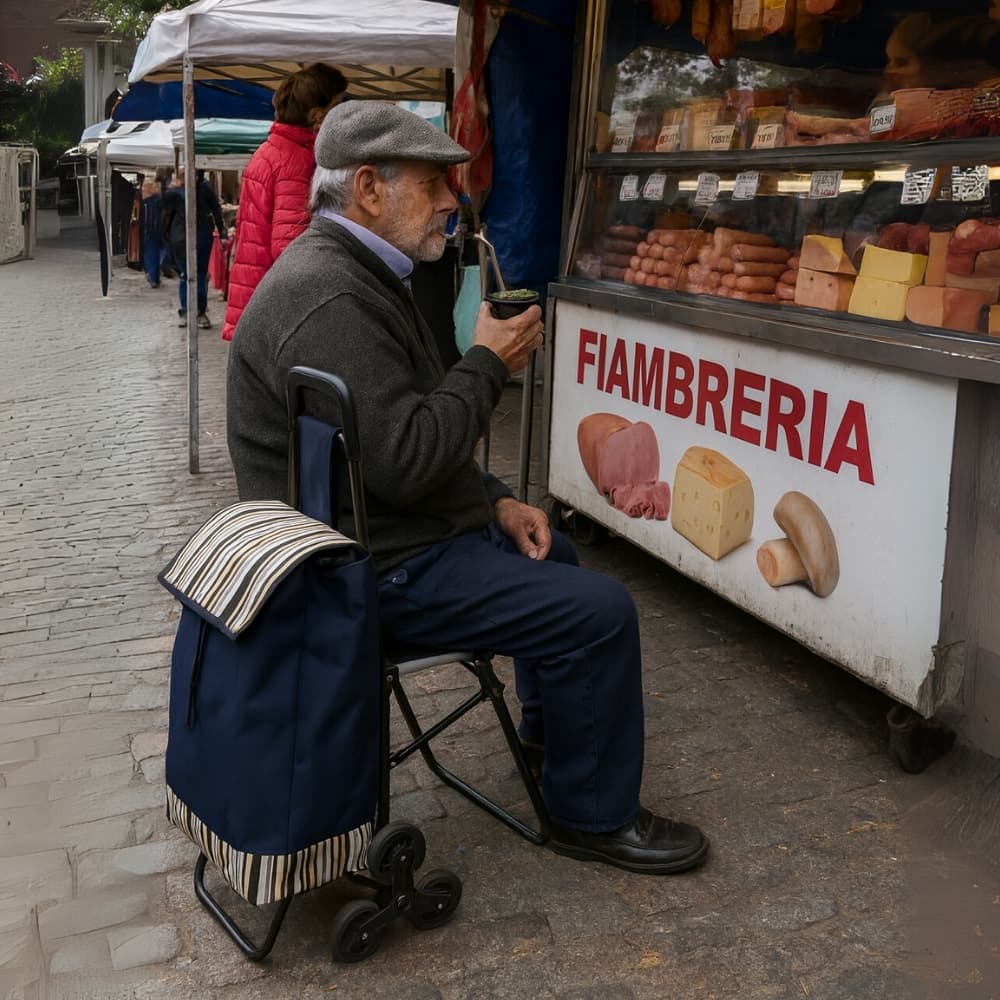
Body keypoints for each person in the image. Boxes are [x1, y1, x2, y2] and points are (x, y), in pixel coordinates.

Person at [226, 103, 709, 876]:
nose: (453, 199)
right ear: (369, 191)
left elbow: (403, 429)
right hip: (362, 570)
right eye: (433, 182)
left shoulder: (360, 271)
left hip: (384, 532)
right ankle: (593, 816)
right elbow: (410, 458)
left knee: (558, 550)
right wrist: (488, 364)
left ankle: (556, 742)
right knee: (601, 613)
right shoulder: (333, 296)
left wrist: (494, 500)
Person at [220, 63, 347, 342]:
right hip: (278, 309)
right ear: (316, 115)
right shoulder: (295, 160)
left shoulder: (273, 151)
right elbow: (290, 245)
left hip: (260, 298)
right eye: (337, 106)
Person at [161, 168, 227, 328]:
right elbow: (216, 209)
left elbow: (215, 209)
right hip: (186, 238)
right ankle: (194, 311)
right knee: (194, 274)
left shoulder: (196, 189)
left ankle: (192, 311)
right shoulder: (181, 191)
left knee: (192, 275)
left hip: (192, 237)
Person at [139, 176, 164, 288]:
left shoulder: (146, 203)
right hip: (158, 231)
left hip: (150, 232)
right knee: (156, 254)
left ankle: (154, 277)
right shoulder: (159, 200)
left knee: (152, 255)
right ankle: (155, 277)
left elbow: (146, 219)